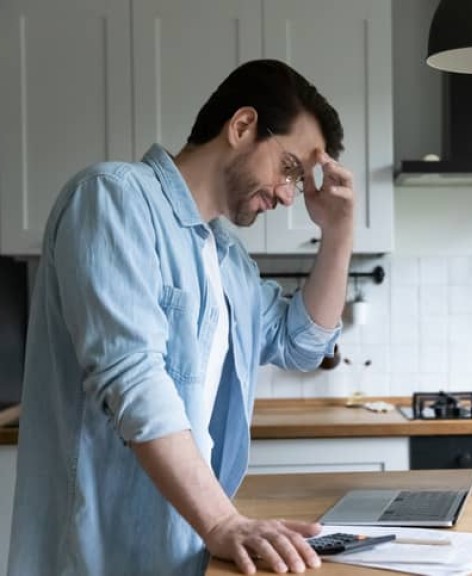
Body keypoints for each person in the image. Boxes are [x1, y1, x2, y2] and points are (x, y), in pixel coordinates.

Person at [8, 59, 354, 576]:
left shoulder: (227, 260)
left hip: (182, 553)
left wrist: (339, 233)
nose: (288, 194)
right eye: (289, 169)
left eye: (299, 181)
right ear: (241, 127)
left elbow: (301, 344)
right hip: (97, 556)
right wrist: (222, 522)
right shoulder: (114, 198)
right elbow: (133, 377)